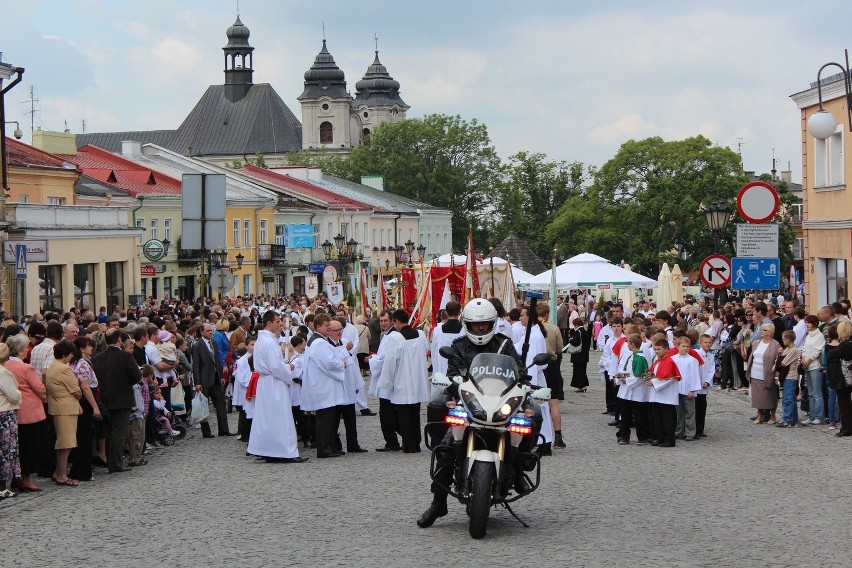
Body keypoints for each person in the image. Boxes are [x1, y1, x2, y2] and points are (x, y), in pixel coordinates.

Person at [417, 298, 525, 529]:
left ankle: (518, 470)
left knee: (523, 425)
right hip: (470, 406)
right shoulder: (458, 346)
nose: (480, 329)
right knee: (446, 450)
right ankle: (438, 503)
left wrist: (525, 384)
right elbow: (453, 375)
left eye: (484, 325)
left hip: (498, 406)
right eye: (475, 325)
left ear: (491, 324)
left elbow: (519, 371)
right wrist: (455, 391)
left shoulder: (504, 345)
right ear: (467, 324)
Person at [247, 311, 307, 463]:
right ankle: (285, 451)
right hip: (274, 382)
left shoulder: (263, 340)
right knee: (281, 417)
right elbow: (275, 366)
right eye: (277, 322)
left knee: (268, 418)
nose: (280, 325)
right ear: (269, 323)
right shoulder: (269, 342)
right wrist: (289, 370)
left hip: (267, 382)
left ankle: (268, 449)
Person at [376, 309, 429, 454]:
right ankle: (416, 442)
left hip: (402, 381)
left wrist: (386, 382)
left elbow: (390, 362)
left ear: (397, 321)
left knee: (404, 415)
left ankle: (409, 444)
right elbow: (426, 350)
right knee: (415, 413)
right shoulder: (420, 335)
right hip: (417, 380)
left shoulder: (396, 338)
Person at [91, 330, 141, 473]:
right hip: (122, 398)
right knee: (119, 433)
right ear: (119, 340)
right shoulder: (125, 356)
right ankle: (116, 463)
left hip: (104, 399)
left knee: (108, 432)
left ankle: (111, 461)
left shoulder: (97, 357)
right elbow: (136, 376)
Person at [303, 313, 349, 459]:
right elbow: (328, 362)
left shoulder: (318, 340)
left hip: (323, 384)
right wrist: (341, 363)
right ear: (318, 327)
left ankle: (330, 446)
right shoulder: (319, 343)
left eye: (330, 325)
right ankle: (324, 449)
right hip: (323, 386)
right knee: (325, 420)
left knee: (330, 419)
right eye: (326, 325)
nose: (329, 328)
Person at [5, 334, 46, 492]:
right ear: (22, 350)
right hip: (30, 410)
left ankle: (16, 478)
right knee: (30, 447)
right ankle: (26, 479)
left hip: (15, 410)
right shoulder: (25, 367)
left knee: (18, 447)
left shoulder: (7, 365)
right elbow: (39, 387)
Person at [45, 340, 82, 487]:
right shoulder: (64, 369)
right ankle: (62, 475)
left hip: (58, 406)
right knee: (66, 444)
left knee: (64, 443)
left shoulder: (53, 366)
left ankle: (58, 472)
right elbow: (77, 391)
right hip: (66, 408)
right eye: (71, 354)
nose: (72, 357)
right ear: (65, 354)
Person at [191, 323, 234, 437]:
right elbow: (195, 365)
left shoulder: (213, 343)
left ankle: (224, 429)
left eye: (211, 331)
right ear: (202, 332)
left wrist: (220, 377)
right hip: (204, 380)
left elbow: (217, 360)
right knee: (203, 406)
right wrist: (197, 382)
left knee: (221, 404)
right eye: (208, 331)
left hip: (215, 378)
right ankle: (206, 432)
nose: (211, 332)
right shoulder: (197, 345)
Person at [367, 310, 401, 452]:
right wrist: (375, 358)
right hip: (385, 377)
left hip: (388, 379)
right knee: (387, 412)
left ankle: (392, 441)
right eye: (381, 321)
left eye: (385, 320)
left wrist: (373, 360)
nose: (383, 323)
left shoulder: (393, 336)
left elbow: (387, 358)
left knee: (388, 413)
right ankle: (392, 440)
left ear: (392, 320)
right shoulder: (387, 335)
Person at [68, 337, 101, 482]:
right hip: (85, 399)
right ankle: (83, 471)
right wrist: (95, 406)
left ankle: (79, 469)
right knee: (84, 435)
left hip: (79, 399)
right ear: (82, 348)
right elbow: (86, 387)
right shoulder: (82, 364)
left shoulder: (74, 363)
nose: (91, 348)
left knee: (81, 435)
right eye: (89, 346)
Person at [536, 303, 566, 449]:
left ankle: (537, 436)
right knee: (553, 403)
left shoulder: (531, 329)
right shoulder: (554, 329)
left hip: (536, 367)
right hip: (552, 365)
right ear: (547, 314)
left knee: (536, 402)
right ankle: (558, 437)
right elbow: (560, 348)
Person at [747, 323, 781, 425]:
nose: (761, 331)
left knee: (770, 395)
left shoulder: (775, 344)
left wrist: (776, 375)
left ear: (769, 333)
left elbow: (777, 361)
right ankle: (760, 415)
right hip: (755, 372)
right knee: (758, 396)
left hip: (768, 373)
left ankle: (773, 415)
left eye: (763, 330)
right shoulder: (757, 343)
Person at [0, 342, 22, 497]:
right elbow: (13, 395)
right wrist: (20, 394)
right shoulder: (3, 372)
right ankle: (2, 488)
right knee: (6, 450)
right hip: (5, 413)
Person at [826, 320, 852, 437]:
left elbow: (831, 355)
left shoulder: (845, 345)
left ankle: (846, 428)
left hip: (844, 378)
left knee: (844, 404)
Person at [801, 315, 826, 425]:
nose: (807, 324)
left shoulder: (819, 335)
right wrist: (803, 359)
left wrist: (809, 361)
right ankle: (811, 415)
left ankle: (819, 416)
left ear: (814, 323)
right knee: (810, 392)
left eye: (809, 322)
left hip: (815, 366)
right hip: (807, 366)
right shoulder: (808, 335)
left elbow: (817, 351)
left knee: (817, 393)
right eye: (806, 322)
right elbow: (805, 348)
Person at [776, 331, 802, 428]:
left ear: (788, 340)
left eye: (783, 339)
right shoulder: (787, 349)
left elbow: (783, 363)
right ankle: (793, 419)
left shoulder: (793, 350)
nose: (783, 341)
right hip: (786, 376)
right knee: (788, 398)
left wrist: (780, 359)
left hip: (790, 376)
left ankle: (788, 419)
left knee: (788, 399)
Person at [568, 317, 592, 392]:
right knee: (582, 371)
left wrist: (571, 340)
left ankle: (581, 386)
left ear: (576, 324)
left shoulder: (578, 332)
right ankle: (583, 385)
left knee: (578, 371)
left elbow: (576, 342)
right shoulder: (585, 331)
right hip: (584, 355)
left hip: (578, 355)